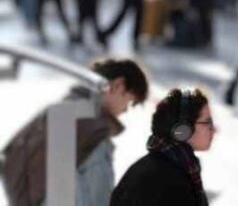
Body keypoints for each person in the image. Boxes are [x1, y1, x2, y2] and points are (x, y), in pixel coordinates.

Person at [4, 58, 149, 206]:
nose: (125, 110)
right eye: (130, 101)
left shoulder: (63, 113)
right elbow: (94, 196)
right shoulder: (89, 128)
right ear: (118, 86)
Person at [110, 88, 216, 205]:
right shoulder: (168, 181)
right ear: (183, 130)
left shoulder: (169, 168)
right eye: (207, 123)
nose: (214, 129)